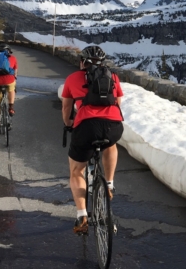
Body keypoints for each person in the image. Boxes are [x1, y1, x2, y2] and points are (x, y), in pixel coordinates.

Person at [61, 45, 124, 235]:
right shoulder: (112, 77)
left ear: (82, 62)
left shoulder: (73, 78)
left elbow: (66, 108)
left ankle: (82, 215)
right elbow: (118, 102)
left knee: (76, 170)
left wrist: (70, 123)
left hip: (87, 127)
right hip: (113, 125)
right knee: (110, 144)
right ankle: (110, 183)